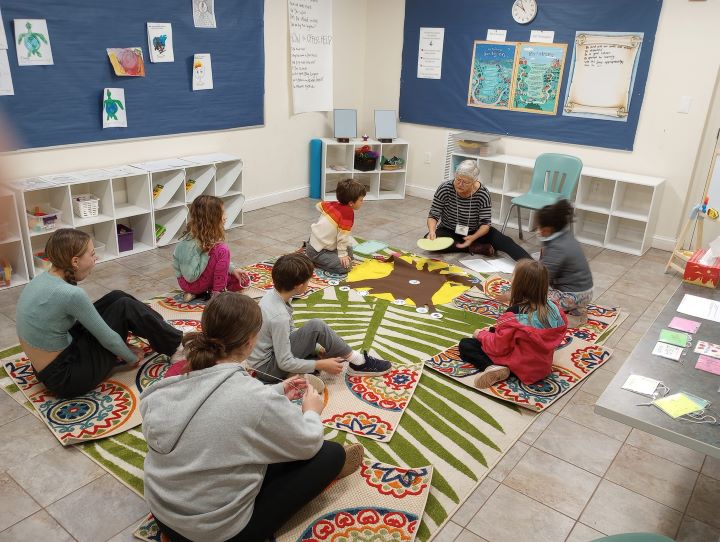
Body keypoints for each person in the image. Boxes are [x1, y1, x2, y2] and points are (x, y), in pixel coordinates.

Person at [141, 292, 365, 542]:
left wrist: (278, 389)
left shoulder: (167, 385)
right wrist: (311, 411)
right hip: (214, 533)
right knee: (329, 454)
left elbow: (216, 403)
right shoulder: (253, 397)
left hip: (162, 511)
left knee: (248, 442)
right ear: (250, 342)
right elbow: (308, 443)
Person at [15, 229, 182, 398]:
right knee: (123, 307)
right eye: (92, 254)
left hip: (47, 368)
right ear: (74, 261)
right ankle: (177, 347)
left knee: (117, 297)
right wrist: (129, 356)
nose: (96, 259)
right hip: (66, 378)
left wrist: (119, 346)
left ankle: (164, 331)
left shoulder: (43, 279)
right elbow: (108, 338)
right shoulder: (70, 294)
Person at [247, 252, 391, 381]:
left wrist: (313, 347)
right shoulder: (279, 316)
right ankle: (358, 362)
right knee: (316, 326)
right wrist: (320, 364)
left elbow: (288, 334)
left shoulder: (274, 294)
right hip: (267, 370)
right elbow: (284, 362)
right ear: (299, 285)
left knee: (315, 330)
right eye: (309, 280)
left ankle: (338, 356)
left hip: (270, 356)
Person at [459, 259, 567, 389]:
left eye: (513, 276)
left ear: (519, 285)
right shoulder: (553, 308)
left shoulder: (514, 315)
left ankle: (491, 367)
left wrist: (480, 335)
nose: (510, 279)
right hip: (542, 367)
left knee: (467, 344)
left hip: (521, 367)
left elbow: (498, 347)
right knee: (495, 331)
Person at [426, 159, 531, 260]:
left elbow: (485, 224)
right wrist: (432, 230)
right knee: (428, 239)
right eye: (458, 179)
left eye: (465, 182)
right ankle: (474, 248)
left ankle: (533, 266)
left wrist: (473, 237)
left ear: (474, 181)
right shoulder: (445, 188)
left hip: (475, 232)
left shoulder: (482, 193)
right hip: (449, 229)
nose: (460, 184)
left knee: (505, 242)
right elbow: (433, 214)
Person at [172, 195, 249, 302]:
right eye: (222, 213)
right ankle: (218, 295)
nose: (225, 217)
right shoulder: (188, 245)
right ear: (211, 218)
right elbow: (190, 277)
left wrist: (232, 270)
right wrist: (207, 253)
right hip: (190, 283)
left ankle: (199, 293)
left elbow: (214, 261)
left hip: (199, 283)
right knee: (223, 250)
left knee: (239, 279)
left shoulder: (206, 235)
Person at [536, 199, 594, 327]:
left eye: (539, 226)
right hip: (584, 292)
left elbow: (541, 278)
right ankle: (575, 309)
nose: (537, 229)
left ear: (547, 229)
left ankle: (566, 318)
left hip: (573, 295)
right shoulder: (566, 236)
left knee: (533, 300)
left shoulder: (557, 248)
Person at [305, 178, 366, 275]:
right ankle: (314, 262)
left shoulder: (333, 204)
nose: (363, 202)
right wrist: (342, 255)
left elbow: (319, 205)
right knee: (345, 266)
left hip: (315, 243)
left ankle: (324, 256)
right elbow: (342, 236)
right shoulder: (348, 214)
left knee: (349, 251)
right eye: (361, 200)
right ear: (351, 203)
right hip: (318, 251)